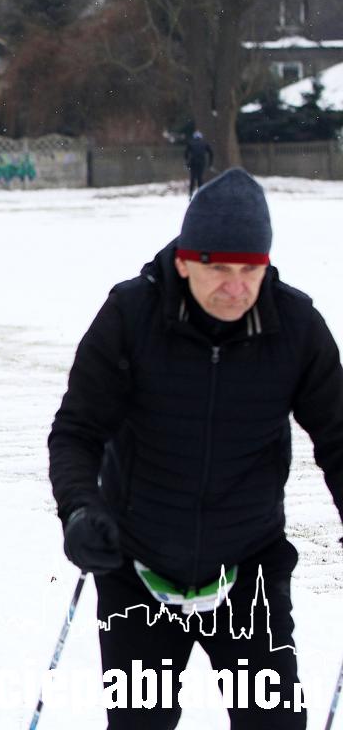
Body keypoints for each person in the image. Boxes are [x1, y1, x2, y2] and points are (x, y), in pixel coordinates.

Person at [48, 168, 343, 729]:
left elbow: (338, 436)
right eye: (218, 269)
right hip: (136, 569)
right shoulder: (131, 316)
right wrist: (80, 509)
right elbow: (77, 432)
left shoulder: (295, 326)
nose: (235, 287)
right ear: (185, 261)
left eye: (249, 271)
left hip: (248, 572)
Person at [184, 130, 214, 197]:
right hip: (201, 163)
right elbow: (211, 153)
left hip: (193, 163)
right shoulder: (204, 143)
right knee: (200, 178)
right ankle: (201, 193)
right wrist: (210, 164)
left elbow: (186, 153)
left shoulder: (191, 143)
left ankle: (190, 193)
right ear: (201, 137)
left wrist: (186, 162)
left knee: (192, 178)